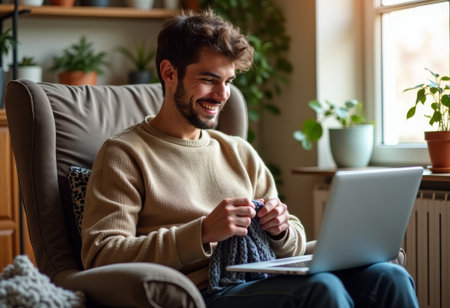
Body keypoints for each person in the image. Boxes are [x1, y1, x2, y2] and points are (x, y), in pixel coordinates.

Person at [81, 9, 419, 308]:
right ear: (169, 73)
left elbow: (294, 237)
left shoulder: (238, 151)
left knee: (388, 277)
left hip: (262, 279)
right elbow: (102, 254)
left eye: (228, 81)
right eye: (208, 80)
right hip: (204, 292)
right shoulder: (124, 153)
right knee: (321, 289)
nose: (222, 94)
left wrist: (280, 229)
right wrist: (200, 233)